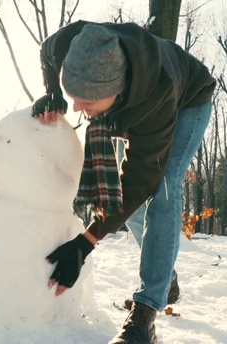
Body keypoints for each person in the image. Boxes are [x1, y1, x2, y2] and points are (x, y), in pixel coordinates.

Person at [33, 21, 216, 343]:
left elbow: (140, 182)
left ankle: (146, 311)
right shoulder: (75, 42)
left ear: (114, 94)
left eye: (85, 102)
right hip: (129, 102)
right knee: (122, 203)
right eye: (73, 95)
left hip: (189, 101)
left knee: (163, 191)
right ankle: (166, 277)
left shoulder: (158, 96)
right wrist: (52, 91)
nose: (76, 108)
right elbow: (47, 52)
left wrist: (85, 242)